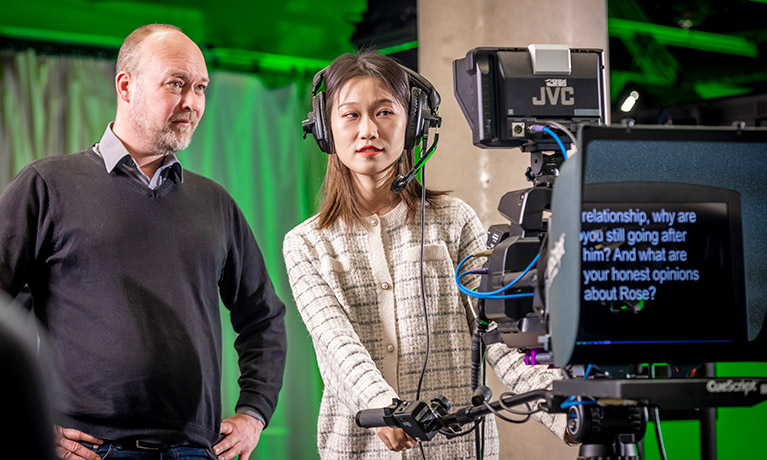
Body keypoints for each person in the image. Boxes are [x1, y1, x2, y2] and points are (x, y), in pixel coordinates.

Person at [0, 24, 286, 460]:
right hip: (89, 453)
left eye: (201, 88)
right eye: (176, 84)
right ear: (126, 85)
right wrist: (31, 424)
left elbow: (263, 318)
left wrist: (254, 414)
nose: (192, 102)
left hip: (195, 453)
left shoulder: (215, 202)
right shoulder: (47, 185)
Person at [283, 51, 567, 459]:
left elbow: (501, 333)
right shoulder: (306, 243)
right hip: (360, 450)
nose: (368, 130)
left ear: (413, 123)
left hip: (459, 451)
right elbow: (336, 345)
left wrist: (563, 410)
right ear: (326, 128)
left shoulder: (455, 221)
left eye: (384, 111)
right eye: (350, 115)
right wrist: (384, 409)